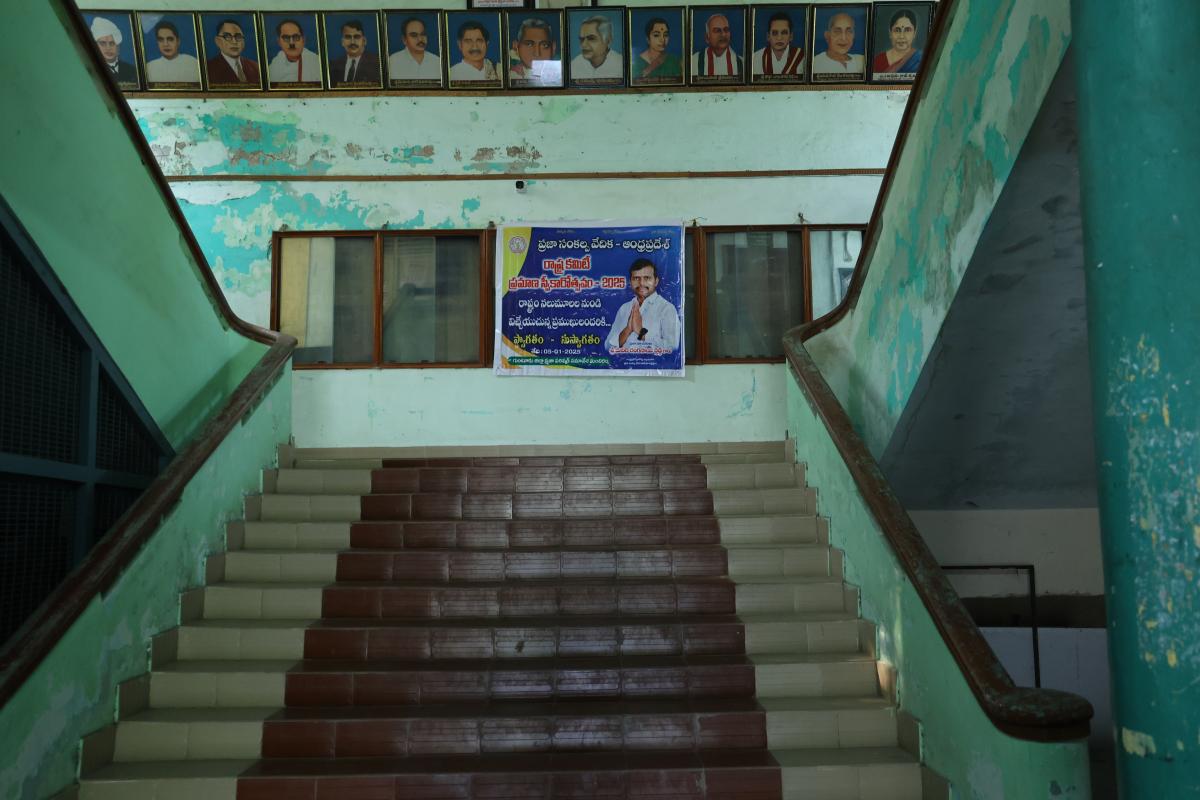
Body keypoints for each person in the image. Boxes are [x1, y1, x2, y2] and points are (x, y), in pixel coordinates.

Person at [605, 259, 680, 353]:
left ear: (656, 281)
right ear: (630, 282)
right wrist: (628, 330)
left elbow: (673, 347)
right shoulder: (624, 308)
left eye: (647, 278)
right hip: (625, 362)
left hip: (652, 363)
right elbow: (608, 346)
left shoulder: (667, 309)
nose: (641, 283)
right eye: (636, 278)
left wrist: (641, 333)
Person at [205, 18, 260, 86]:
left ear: (243, 42)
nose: (234, 42)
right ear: (217, 41)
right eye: (227, 36)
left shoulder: (255, 67)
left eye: (238, 37)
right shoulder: (208, 68)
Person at [329, 19, 380, 87]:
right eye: (348, 37)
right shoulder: (333, 66)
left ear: (364, 41)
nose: (352, 42)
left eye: (357, 37)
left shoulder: (378, 63)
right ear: (342, 42)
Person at [752, 11, 804, 78]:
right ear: (768, 36)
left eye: (784, 32)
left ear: (791, 36)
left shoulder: (802, 57)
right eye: (774, 33)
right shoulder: (756, 58)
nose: (779, 38)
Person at [268, 18, 320, 84]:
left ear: (303, 40)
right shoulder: (275, 64)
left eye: (296, 37)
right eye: (286, 38)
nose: (291, 43)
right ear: (279, 42)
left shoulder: (316, 63)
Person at [388, 17, 441, 82]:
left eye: (423, 34)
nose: (420, 39)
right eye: (414, 35)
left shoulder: (437, 61)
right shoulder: (393, 62)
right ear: (404, 40)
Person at [571, 16, 622, 81]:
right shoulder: (574, 65)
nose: (583, 45)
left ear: (608, 40)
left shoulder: (621, 65)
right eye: (581, 39)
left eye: (591, 38)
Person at [690, 13, 741, 78]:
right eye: (717, 31)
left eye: (726, 30)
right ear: (707, 38)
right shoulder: (693, 62)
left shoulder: (741, 64)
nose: (723, 34)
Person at [90, 16, 138, 85]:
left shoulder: (132, 70)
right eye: (103, 43)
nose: (108, 48)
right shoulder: (90, 70)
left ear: (118, 47)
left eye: (112, 43)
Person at [872, 9, 922, 74]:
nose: (901, 36)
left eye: (907, 30)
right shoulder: (878, 60)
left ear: (914, 33)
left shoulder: (920, 59)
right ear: (890, 33)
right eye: (897, 30)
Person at [509, 17, 557, 84]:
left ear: (553, 47)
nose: (537, 54)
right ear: (516, 46)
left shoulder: (561, 74)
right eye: (529, 44)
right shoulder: (509, 75)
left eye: (544, 45)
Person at [633, 16, 681, 82]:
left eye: (665, 35)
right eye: (656, 35)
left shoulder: (673, 61)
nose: (662, 40)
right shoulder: (637, 62)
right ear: (648, 39)